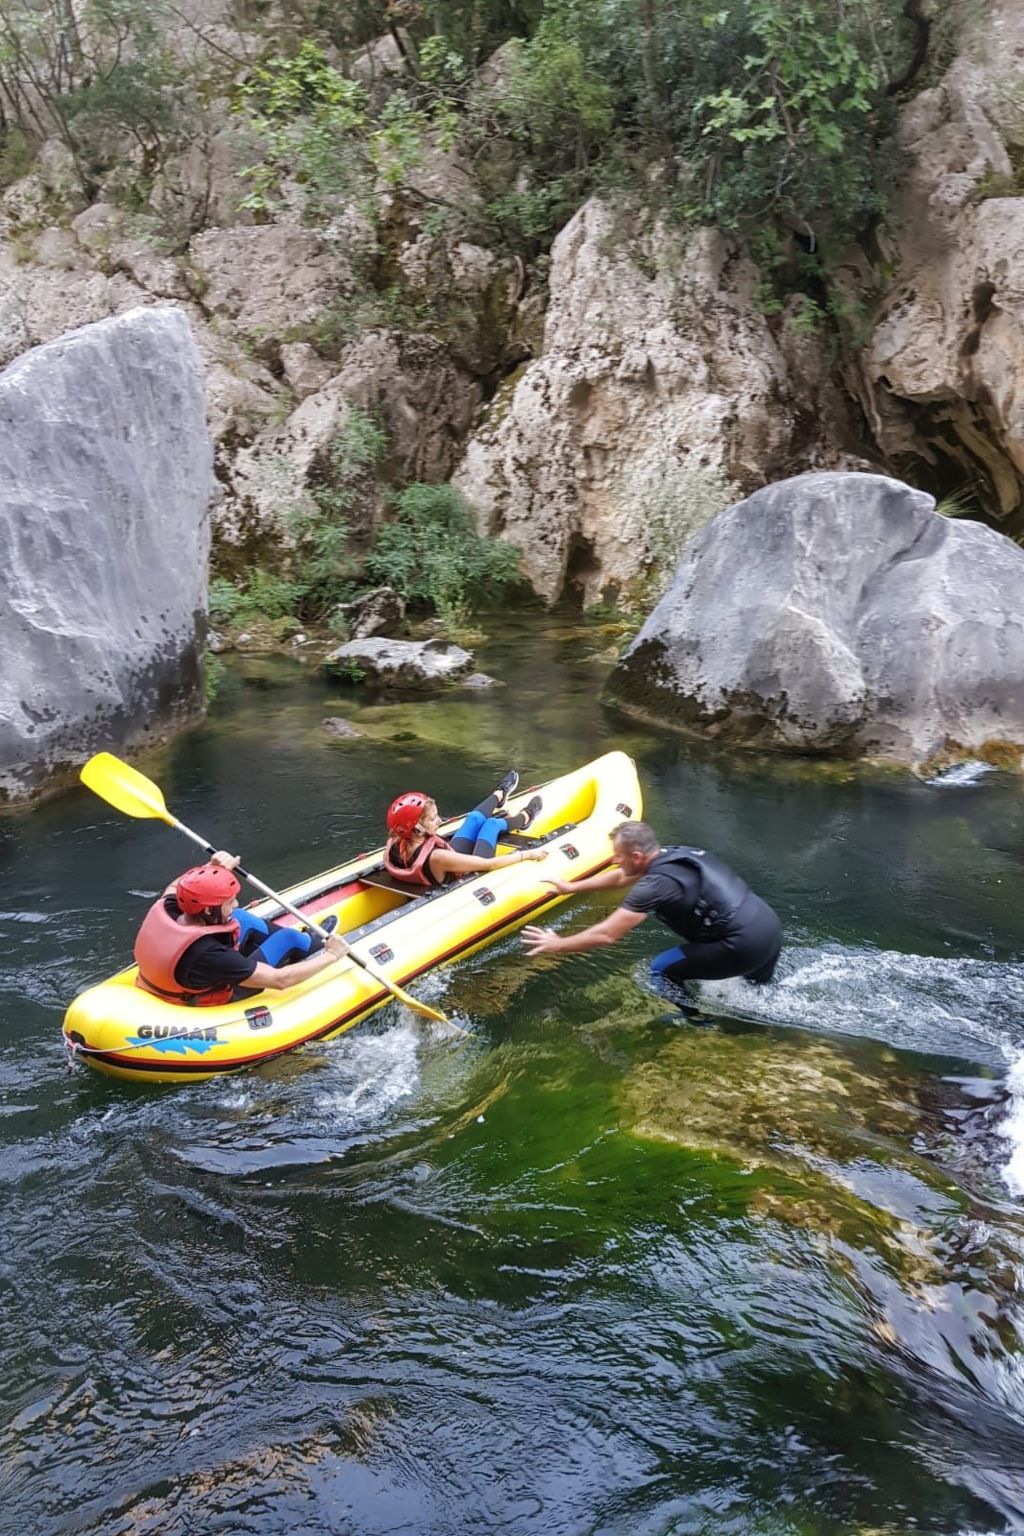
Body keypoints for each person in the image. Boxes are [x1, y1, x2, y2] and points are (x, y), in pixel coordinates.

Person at [522, 820, 782, 992]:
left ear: (636, 857)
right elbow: (622, 877)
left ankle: (694, 1024)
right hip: (768, 928)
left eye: (618, 856)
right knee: (756, 993)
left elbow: (607, 934)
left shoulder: (655, 885)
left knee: (661, 970)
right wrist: (572, 887)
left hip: (742, 944)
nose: (613, 861)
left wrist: (558, 944)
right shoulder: (676, 854)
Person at [134, 851, 349, 1007]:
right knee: (288, 938)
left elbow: (175, 886)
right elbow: (280, 980)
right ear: (209, 910)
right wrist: (331, 956)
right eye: (230, 901)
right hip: (206, 998)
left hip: (174, 975)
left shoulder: (169, 906)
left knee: (240, 918)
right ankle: (312, 946)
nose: (235, 903)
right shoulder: (211, 954)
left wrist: (211, 868)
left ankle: (303, 944)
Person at [384, 770, 548, 889]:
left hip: (439, 865)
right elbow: (489, 864)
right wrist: (527, 854)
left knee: (474, 818)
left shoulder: (395, 841)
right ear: (417, 827)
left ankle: (499, 795)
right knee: (491, 824)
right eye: (433, 818)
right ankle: (526, 817)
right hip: (458, 873)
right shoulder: (437, 857)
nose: (440, 821)